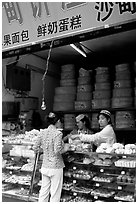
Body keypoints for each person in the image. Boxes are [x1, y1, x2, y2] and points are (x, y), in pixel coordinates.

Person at [33, 112, 69, 202]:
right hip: (56, 166)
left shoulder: (42, 132)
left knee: (44, 192)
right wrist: (66, 148)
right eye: (60, 121)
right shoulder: (58, 133)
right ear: (57, 121)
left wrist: (44, 150)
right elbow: (58, 150)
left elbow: (35, 148)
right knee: (55, 193)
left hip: (45, 166)